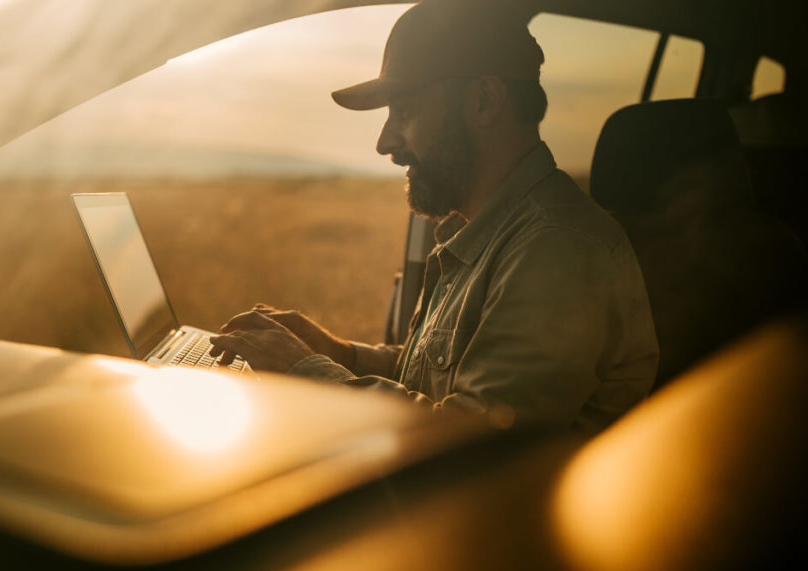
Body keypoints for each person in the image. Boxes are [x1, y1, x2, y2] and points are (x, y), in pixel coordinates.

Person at [210, 0, 658, 433]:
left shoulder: (557, 248)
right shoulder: (488, 230)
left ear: (484, 101)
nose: (385, 143)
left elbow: (472, 443)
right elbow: (441, 376)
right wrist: (340, 354)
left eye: (403, 111)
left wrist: (304, 368)